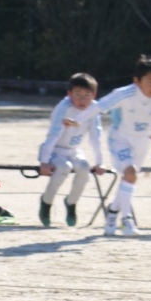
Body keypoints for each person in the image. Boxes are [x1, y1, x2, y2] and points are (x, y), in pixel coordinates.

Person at [97, 55, 151, 236]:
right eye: (150, 81)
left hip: (142, 141)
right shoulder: (125, 93)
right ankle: (127, 221)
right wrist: (78, 120)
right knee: (130, 174)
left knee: (128, 178)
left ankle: (112, 212)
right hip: (120, 138)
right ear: (137, 81)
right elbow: (98, 107)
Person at [37, 73, 105, 227]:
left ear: (93, 95)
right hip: (55, 150)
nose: (82, 99)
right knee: (64, 168)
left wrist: (99, 162)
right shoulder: (63, 107)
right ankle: (46, 202)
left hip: (74, 151)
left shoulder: (94, 109)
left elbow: (96, 137)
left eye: (86, 95)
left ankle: (71, 203)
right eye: (78, 94)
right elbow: (53, 134)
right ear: (69, 94)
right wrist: (44, 161)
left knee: (84, 168)